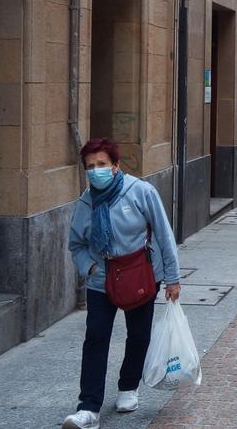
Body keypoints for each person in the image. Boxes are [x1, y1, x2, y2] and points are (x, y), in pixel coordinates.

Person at [64, 138, 181, 429]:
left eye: (102, 164)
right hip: (102, 280)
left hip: (139, 274)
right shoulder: (85, 202)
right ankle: (88, 408)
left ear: (115, 166)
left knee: (139, 335)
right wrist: (89, 268)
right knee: (95, 337)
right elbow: (76, 244)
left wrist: (172, 278)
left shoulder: (141, 192)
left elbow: (164, 235)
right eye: (90, 167)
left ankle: (128, 387)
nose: (96, 171)